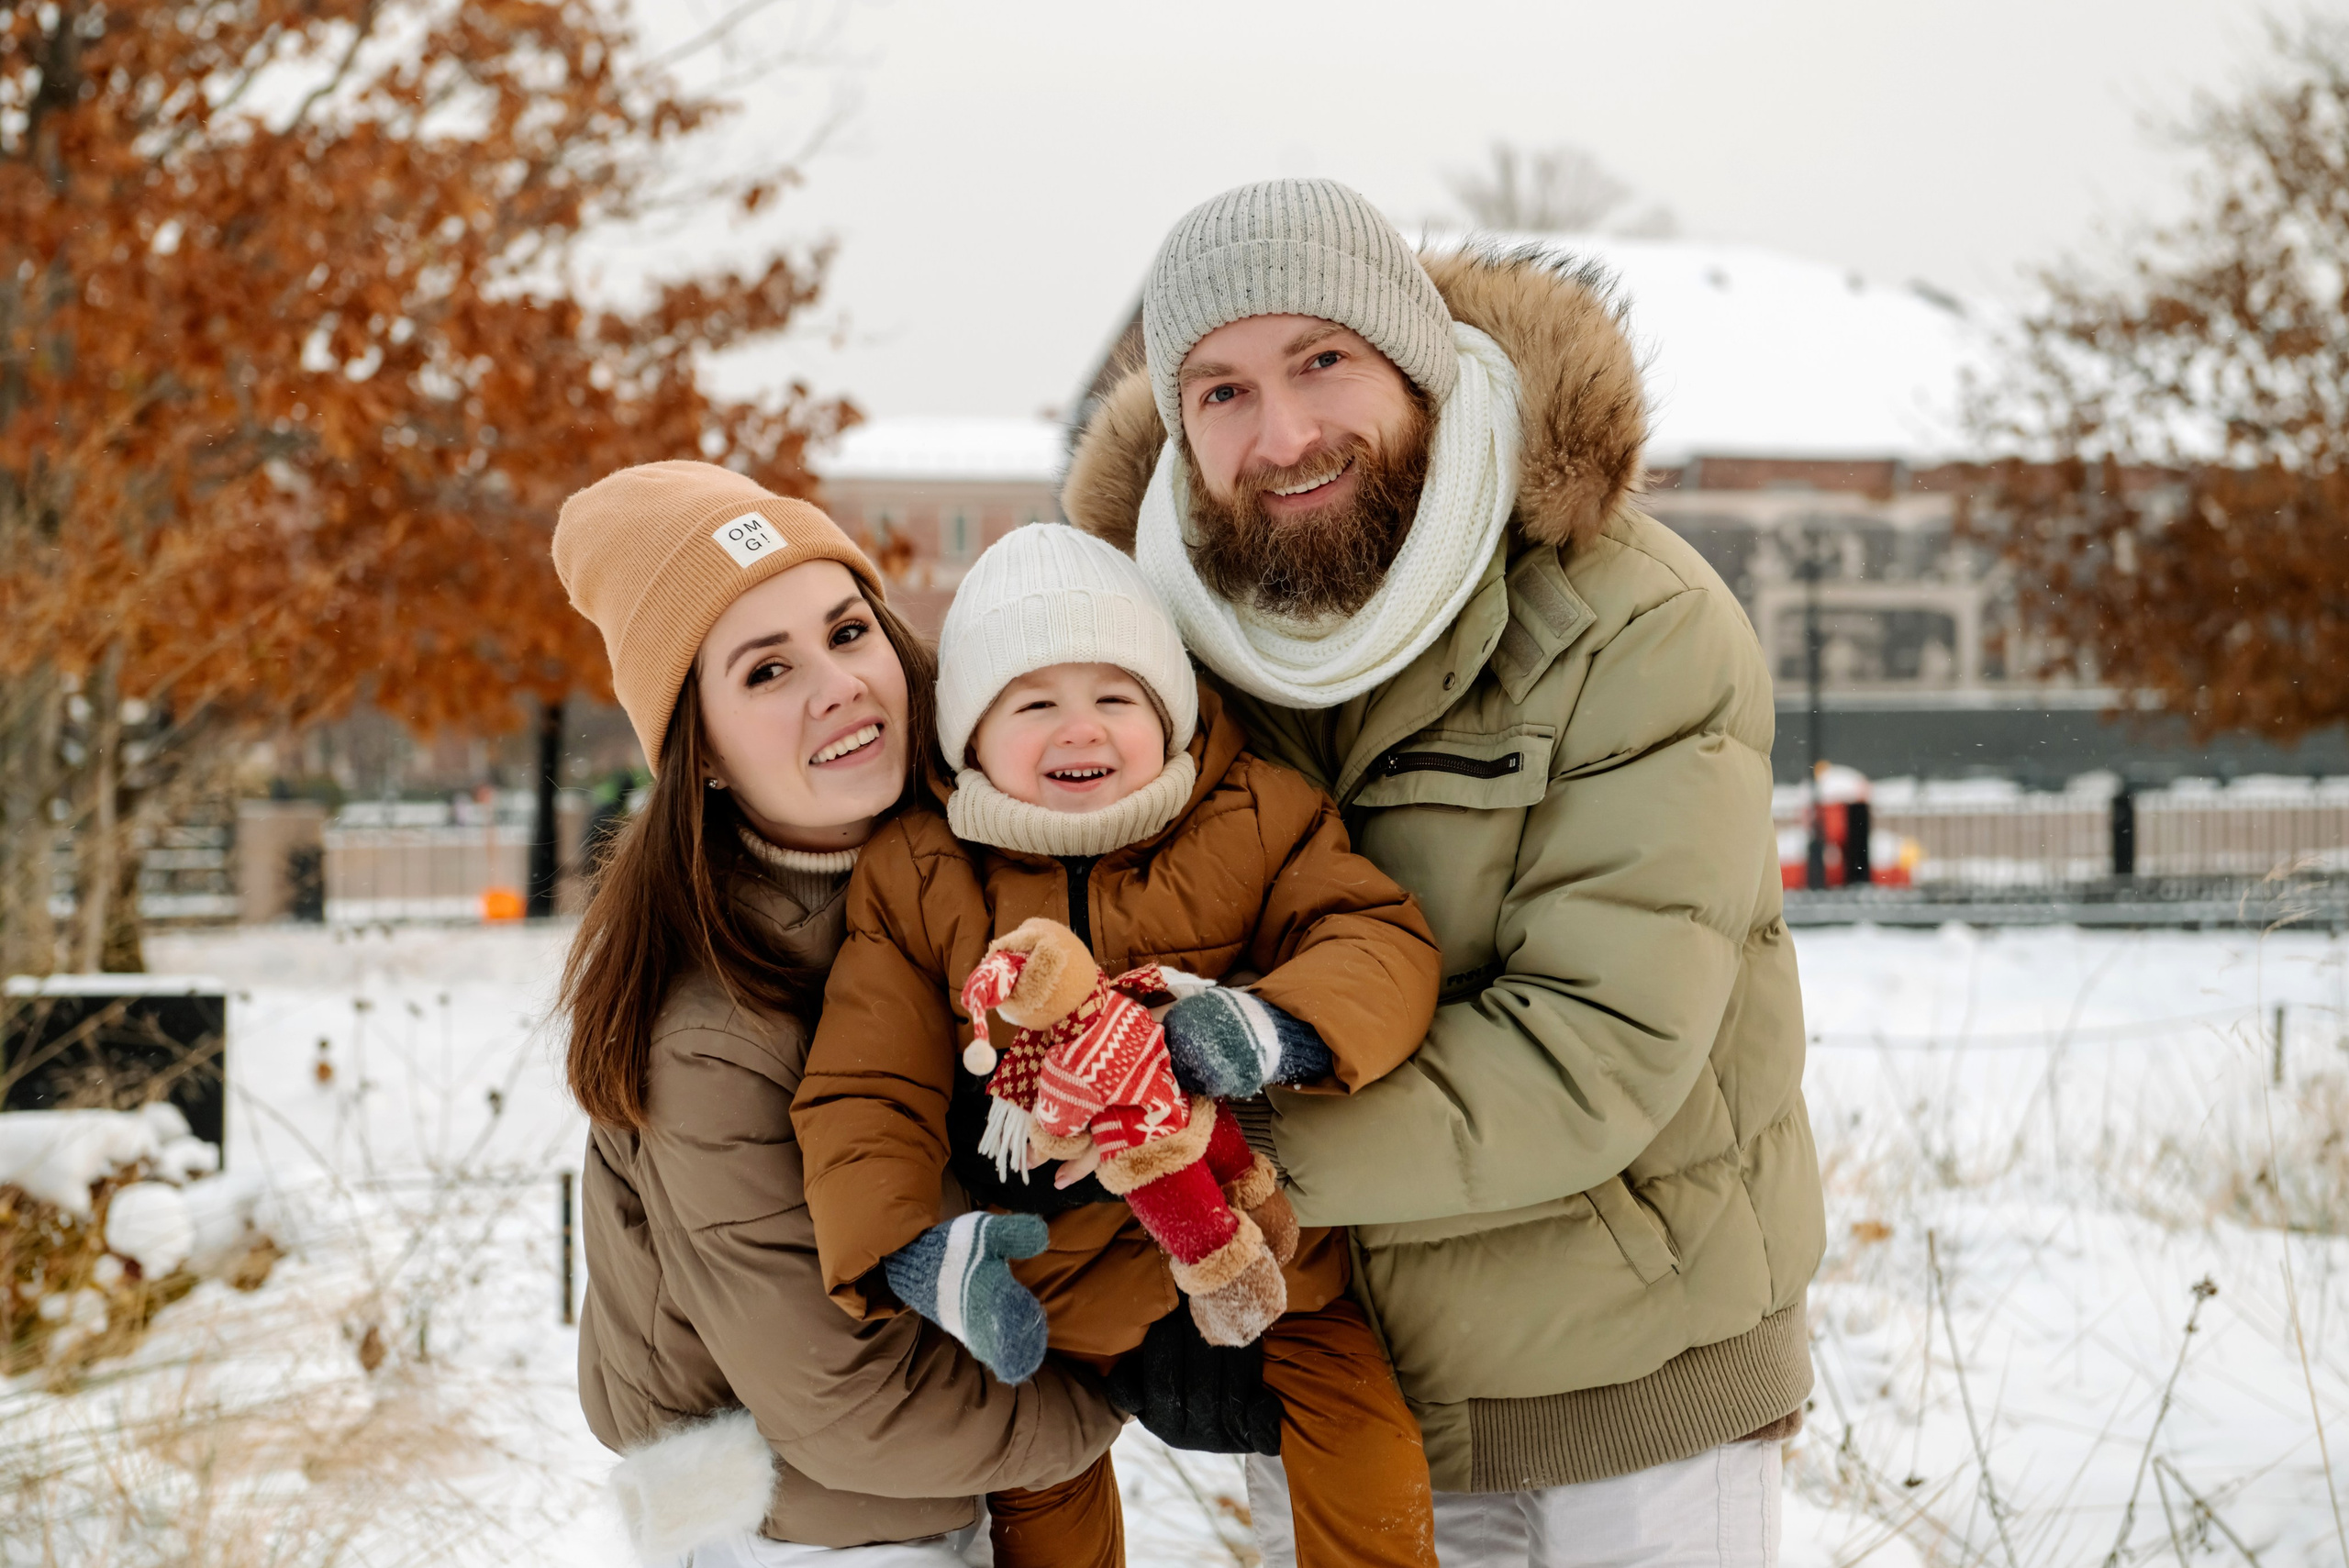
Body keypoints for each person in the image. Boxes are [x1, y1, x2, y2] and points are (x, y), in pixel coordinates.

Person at [1062, 179, 1827, 1567]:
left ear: (1413, 363)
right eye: (1221, 392)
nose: (1283, 435)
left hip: (1633, 1377)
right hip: (1343, 1378)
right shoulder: (1163, 666)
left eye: (1322, 362)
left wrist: (1207, 1164)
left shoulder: (1629, 623)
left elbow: (1601, 1046)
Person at [794, 522, 1442, 1567]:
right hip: (1043, 1283)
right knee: (1033, 1469)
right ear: (969, 732)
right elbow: (865, 1082)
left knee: (1355, 1417)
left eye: (1116, 695)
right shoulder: (920, 870)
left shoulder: (1260, 816)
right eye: (1034, 701)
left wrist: (1268, 1026)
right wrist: (911, 1246)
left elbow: (1372, 938)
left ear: (1169, 708)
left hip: (1252, 1252)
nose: (1078, 728)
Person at [550, 462, 1124, 1566]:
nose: (837, 685)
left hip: (955, 1492)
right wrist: (1116, 1390)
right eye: (767, 668)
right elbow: (850, 1408)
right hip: (812, 1537)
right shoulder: (711, 1029)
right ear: (701, 752)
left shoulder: (971, 869)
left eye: (847, 631)